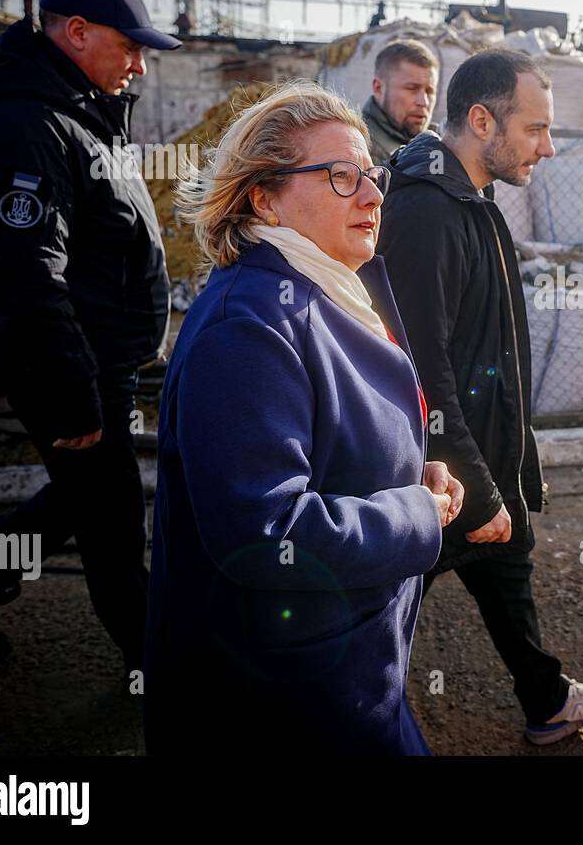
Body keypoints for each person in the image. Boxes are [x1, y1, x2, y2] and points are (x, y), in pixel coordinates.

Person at [144, 81, 460, 755]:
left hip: (348, 669)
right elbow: (265, 529)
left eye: (372, 175)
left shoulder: (339, 286)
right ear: (265, 197)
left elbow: (342, 433)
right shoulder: (248, 326)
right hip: (283, 701)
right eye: (343, 177)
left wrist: (411, 467)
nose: (375, 194)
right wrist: (416, 513)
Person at [377, 48, 583, 745]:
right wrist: (481, 491)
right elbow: (419, 372)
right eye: (536, 129)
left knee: (508, 569)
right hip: (442, 476)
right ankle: (351, 719)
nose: (548, 148)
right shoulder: (427, 213)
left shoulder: (469, 190)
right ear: (482, 119)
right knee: (379, 619)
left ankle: (546, 699)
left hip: (482, 457)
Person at [0, 0, 181, 674]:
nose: (140, 63)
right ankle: (154, 669)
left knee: (82, 499)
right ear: (76, 32)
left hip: (97, 360)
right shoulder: (23, 125)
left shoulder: (78, 108)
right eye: (131, 46)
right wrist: (72, 390)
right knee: (112, 520)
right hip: (69, 365)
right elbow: (27, 274)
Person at [361, 39, 439, 164]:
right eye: (412, 88)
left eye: (429, 91)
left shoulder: (437, 142)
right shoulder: (361, 149)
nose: (423, 102)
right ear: (379, 88)